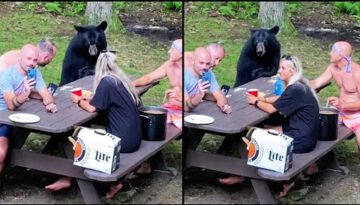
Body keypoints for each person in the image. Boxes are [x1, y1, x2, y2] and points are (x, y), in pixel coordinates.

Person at [219, 55, 320, 197]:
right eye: (280, 67)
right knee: (259, 130)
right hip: (304, 134)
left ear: (293, 71)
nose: (279, 71)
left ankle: (243, 175)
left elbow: (272, 109)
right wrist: (263, 98)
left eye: (283, 68)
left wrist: (255, 102)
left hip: (300, 140)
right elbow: (281, 98)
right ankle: (239, 169)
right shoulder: (301, 85)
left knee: (253, 138)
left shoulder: (296, 89)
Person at [46, 51, 142, 199]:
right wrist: (90, 96)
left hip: (122, 142)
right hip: (134, 138)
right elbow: (104, 99)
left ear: (98, 68)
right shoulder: (120, 81)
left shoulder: (106, 82)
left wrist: (78, 100)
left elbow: (92, 108)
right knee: (87, 131)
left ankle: (67, 178)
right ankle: (68, 177)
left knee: (75, 137)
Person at [0, 44, 57, 176]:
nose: (32, 63)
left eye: (35, 60)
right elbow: (11, 105)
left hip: (6, 120)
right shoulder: (7, 76)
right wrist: (26, 93)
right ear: (20, 58)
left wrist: (49, 103)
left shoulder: (34, 73)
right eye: (29, 59)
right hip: (4, 113)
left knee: (1, 153)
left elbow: (47, 96)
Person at [310, 41, 360, 155]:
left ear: (341, 55)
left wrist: (342, 104)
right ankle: (316, 164)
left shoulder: (357, 73)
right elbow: (316, 82)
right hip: (340, 112)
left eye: (333, 51)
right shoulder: (333, 67)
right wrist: (296, 81)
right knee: (313, 126)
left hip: (357, 115)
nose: (329, 53)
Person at [133, 39, 183, 129]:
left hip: (186, 112)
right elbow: (150, 77)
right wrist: (133, 83)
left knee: (151, 125)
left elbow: (198, 96)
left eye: (172, 50)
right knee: (142, 119)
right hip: (170, 108)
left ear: (180, 53)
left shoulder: (191, 70)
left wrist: (179, 96)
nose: (169, 51)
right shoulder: (169, 65)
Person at [184, 47, 231, 114]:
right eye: (201, 63)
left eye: (207, 64)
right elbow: (185, 107)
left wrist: (225, 106)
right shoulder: (184, 74)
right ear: (193, 61)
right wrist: (200, 95)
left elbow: (220, 96)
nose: (204, 67)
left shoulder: (208, 73)